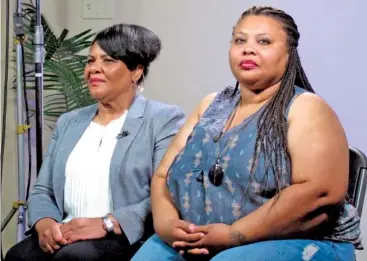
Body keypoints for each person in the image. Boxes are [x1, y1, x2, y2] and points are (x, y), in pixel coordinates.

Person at [131, 6, 362, 261]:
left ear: (288, 54)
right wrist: (167, 226)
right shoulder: (210, 104)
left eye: (264, 41)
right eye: (240, 40)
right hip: (201, 236)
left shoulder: (305, 107)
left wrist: (233, 235)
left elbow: (318, 192)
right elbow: (163, 174)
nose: (248, 49)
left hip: (298, 242)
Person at [5, 23, 185, 261]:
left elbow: (166, 193)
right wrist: (45, 223)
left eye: (108, 61)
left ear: (136, 70)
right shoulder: (69, 122)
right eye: (91, 61)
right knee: (18, 256)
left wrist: (107, 223)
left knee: (74, 258)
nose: (94, 69)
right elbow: (43, 190)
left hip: (123, 235)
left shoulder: (163, 119)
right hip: (66, 231)